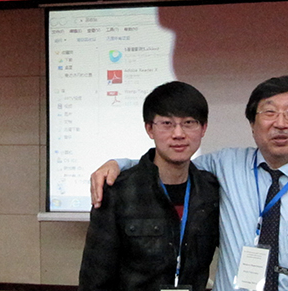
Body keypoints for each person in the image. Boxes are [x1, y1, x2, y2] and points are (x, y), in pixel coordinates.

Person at [91, 75, 288, 291]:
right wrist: (118, 164)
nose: (280, 124)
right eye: (269, 113)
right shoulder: (226, 165)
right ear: (252, 125)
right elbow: (172, 161)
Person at [79, 81, 220, 291]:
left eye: (189, 122)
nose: (178, 134)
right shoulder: (117, 192)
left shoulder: (211, 191)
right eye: (167, 123)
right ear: (149, 129)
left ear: (203, 129)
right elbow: (95, 280)